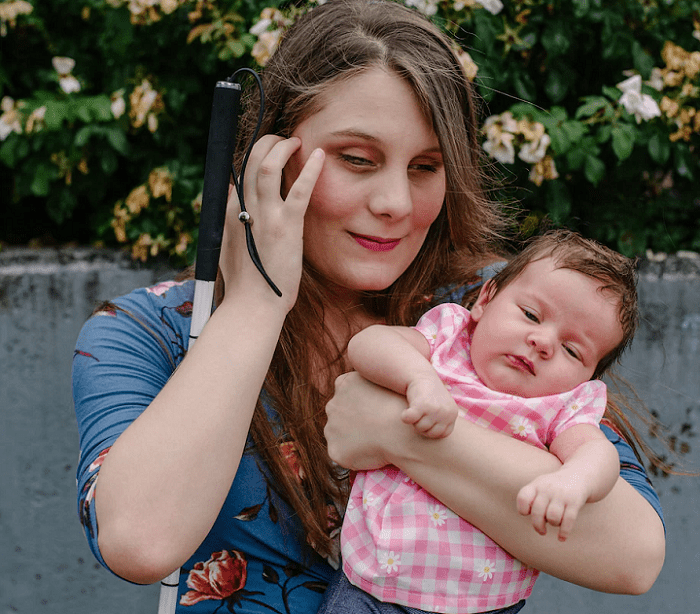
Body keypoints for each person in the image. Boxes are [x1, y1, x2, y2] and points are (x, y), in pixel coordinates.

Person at [72, 1, 665, 613]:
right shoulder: (152, 332)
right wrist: (254, 307)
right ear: (268, 154)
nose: (395, 202)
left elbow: (633, 554)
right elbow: (138, 543)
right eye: (358, 159)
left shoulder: (490, 315)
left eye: (426, 167)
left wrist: (402, 436)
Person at [317, 230, 637, 614]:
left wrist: (575, 481)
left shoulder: (562, 406)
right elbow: (369, 344)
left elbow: (597, 452)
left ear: (588, 377)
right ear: (486, 299)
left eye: (572, 350)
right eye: (531, 315)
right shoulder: (448, 338)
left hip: (483, 604)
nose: (542, 341)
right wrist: (419, 378)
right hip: (371, 584)